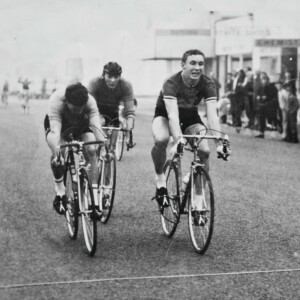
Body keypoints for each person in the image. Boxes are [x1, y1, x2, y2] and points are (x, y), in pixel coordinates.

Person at [151, 49, 231, 222]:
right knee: (162, 139)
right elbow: (172, 116)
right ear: (183, 65)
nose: (197, 67)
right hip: (165, 114)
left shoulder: (208, 83)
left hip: (190, 116)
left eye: (200, 64)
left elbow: (212, 115)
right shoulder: (172, 82)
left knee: (204, 150)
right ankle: (160, 180)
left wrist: (218, 141)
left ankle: (198, 201)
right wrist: (178, 140)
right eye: (193, 63)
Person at [44, 83, 106, 215]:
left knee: (91, 150)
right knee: (58, 153)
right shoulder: (56, 101)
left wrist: (102, 145)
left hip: (80, 123)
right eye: (75, 108)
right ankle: (60, 192)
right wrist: (56, 153)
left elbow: (95, 125)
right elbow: (55, 131)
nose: (78, 110)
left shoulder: (90, 101)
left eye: (81, 108)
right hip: (59, 124)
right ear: (67, 101)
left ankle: (94, 199)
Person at [88, 62, 135, 150]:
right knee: (99, 132)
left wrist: (129, 129)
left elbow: (130, 112)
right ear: (103, 75)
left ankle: (112, 149)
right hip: (97, 109)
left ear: (120, 77)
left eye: (116, 77)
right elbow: (89, 106)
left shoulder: (126, 85)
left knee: (113, 141)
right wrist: (97, 118)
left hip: (114, 110)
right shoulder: (95, 83)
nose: (113, 80)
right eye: (109, 77)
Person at [255, 73, 278, 138]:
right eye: (262, 80)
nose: (264, 81)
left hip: (269, 105)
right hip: (262, 105)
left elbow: (273, 96)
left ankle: (279, 129)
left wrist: (267, 98)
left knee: (273, 118)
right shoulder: (260, 87)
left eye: (265, 80)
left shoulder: (272, 87)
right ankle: (261, 132)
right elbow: (258, 94)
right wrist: (259, 97)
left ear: (268, 80)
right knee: (261, 119)